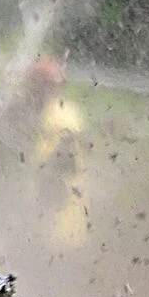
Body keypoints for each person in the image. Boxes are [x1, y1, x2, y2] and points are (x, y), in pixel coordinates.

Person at [26, 56, 90, 248]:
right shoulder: (52, 113)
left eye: (36, 85)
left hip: (59, 219)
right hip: (49, 217)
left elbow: (58, 171)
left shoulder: (61, 117)